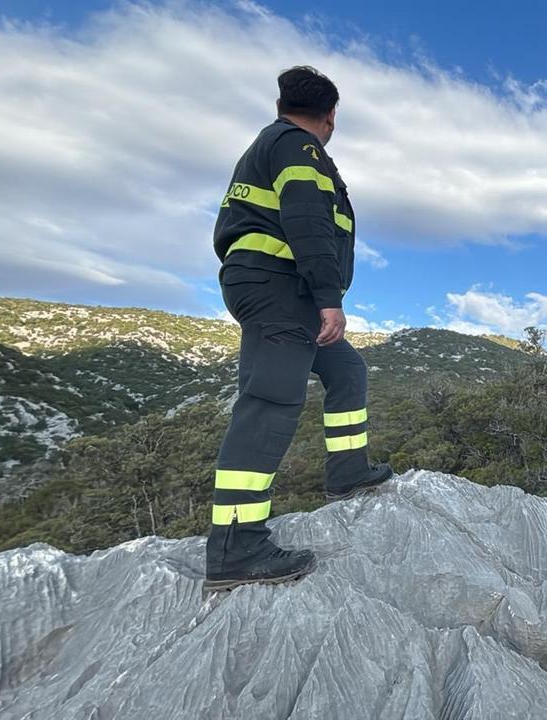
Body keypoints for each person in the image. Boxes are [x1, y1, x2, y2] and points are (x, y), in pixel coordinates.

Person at [206, 65, 392, 593]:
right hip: (280, 287)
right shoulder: (298, 148)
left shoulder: (274, 143)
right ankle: (235, 548)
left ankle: (347, 473)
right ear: (330, 116)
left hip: (289, 292)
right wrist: (329, 299)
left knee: (347, 370)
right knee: (271, 401)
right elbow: (308, 221)